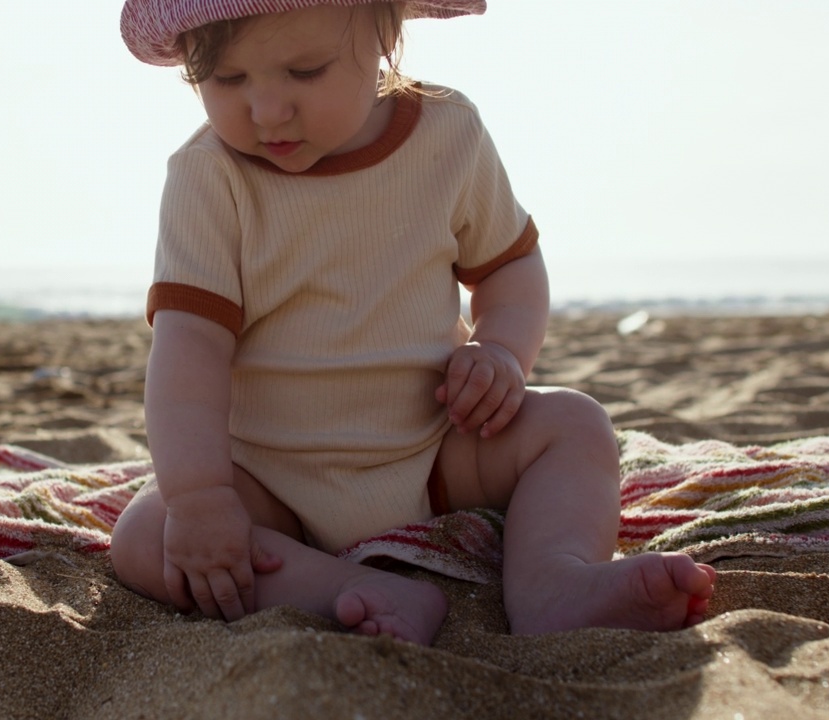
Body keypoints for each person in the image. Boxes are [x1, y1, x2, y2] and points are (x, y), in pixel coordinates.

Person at [111, 0, 715, 645]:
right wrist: (202, 496)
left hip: (436, 448)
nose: (267, 110)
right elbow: (189, 346)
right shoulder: (210, 175)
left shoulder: (447, 134)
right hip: (267, 478)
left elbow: (508, 266)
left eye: (307, 71)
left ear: (385, 29)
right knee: (147, 537)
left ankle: (552, 583)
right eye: (228, 80)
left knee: (574, 423)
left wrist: (501, 350)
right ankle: (349, 591)